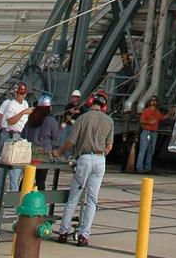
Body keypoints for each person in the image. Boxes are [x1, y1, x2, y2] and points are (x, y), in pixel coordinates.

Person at [56, 93, 114, 246]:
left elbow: (70, 141)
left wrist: (59, 152)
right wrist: (101, 154)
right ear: (104, 106)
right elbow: (109, 146)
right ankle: (83, 235)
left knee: (73, 198)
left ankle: (63, 232)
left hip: (84, 158)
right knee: (92, 200)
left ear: (90, 103)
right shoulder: (109, 121)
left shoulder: (82, 118)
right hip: (100, 160)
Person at [0, 81, 35, 203]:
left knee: (14, 169)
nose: (21, 95)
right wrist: (23, 112)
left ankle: (5, 195)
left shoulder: (25, 103)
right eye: (19, 93)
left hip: (22, 136)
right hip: (12, 136)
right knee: (11, 169)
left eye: (22, 93)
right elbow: (10, 121)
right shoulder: (11, 105)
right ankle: (8, 196)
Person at [26, 95, 62, 190]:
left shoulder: (31, 119)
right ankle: (39, 199)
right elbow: (56, 138)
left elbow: (23, 134)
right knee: (40, 181)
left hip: (29, 153)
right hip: (43, 155)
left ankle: (22, 197)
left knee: (27, 179)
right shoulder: (51, 120)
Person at [135, 98, 172, 174]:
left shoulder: (157, 112)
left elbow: (162, 117)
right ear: (149, 102)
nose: (153, 101)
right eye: (152, 100)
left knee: (150, 151)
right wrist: (149, 122)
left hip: (154, 133)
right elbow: (141, 121)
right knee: (143, 150)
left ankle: (147, 168)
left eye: (155, 100)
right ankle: (139, 168)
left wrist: (170, 113)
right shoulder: (146, 111)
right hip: (146, 131)